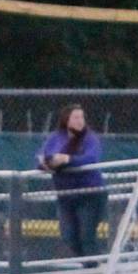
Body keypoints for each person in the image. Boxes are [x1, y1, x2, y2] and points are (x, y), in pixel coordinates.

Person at [36, 104, 107, 260]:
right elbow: (42, 158)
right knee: (69, 236)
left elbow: (91, 158)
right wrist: (50, 163)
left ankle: (92, 270)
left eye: (82, 117)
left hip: (90, 194)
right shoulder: (56, 137)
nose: (80, 121)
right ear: (66, 120)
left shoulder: (90, 138)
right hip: (66, 195)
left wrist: (68, 159)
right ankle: (89, 263)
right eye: (76, 117)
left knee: (86, 236)